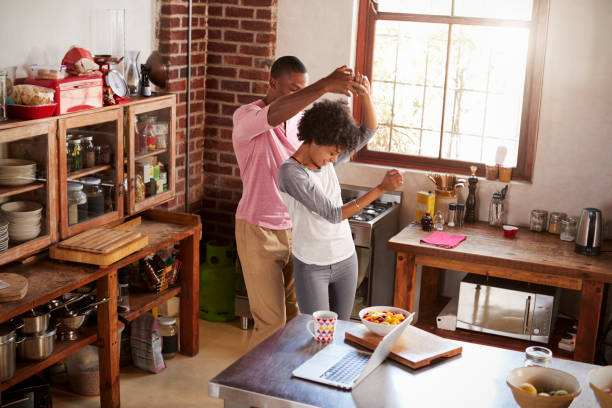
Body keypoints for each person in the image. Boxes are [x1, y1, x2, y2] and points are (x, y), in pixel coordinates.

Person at [232, 56, 360, 347]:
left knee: (298, 322)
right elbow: (274, 115)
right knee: (271, 323)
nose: (301, 96)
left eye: (303, 88)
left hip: (297, 231)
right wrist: (325, 85)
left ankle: (289, 388)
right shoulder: (246, 118)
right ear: (272, 83)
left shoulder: (301, 122)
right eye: (293, 89)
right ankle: (255, 390)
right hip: (258, 230)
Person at [277, 73, 404, 320]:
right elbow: (333, 214)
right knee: (318, 336)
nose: (335, 160)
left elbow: (368, 130)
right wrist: (380, 189)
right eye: (333, 153)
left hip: (345, 258)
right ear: (314, 139)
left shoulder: (326, 161)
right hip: (313, 265)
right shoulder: (291, 173)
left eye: (338, 154)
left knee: (341, 332)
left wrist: (365, 94)